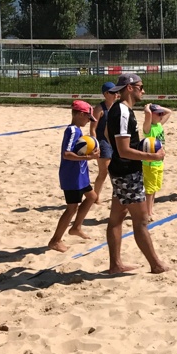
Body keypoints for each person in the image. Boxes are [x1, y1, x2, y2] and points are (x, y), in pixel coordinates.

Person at [105, 73, 168, 274]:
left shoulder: (119, 109)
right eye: (141, 87)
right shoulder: (123, 111)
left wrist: (134, 146)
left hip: (120, 169)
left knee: (116, 218)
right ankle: (156, 265)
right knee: (141, 221)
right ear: (130, 88)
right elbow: (123, 150)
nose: (144, 90)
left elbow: (108, 134)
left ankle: (115, 265)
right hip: (127, 172)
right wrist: (153, 157)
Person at [48, 100, 100, 252]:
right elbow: (67, 154)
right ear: (79, 114)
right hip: (71, 176)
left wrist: (89, 153)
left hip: (80, 174)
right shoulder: (72, 131)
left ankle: (76, 227)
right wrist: (88, 158)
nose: (88, 121)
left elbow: (76, 151)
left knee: (92, 197)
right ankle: (55, 240)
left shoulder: (77, 130)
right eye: (87, 118)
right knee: (71, 208)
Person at [142, 103, 172, 219]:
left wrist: (158, 108)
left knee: (154, 188)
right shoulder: (148, 128)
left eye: (161, 114)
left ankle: (151, 210)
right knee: (149, 189)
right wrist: (147, 108)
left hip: (159, 161)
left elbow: (169, 111)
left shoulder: (159, 125)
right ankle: (148, 212)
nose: (161, 115)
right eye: (159, 114)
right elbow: (148, 114)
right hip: (150, 162)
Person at [90, 81, 118, 201]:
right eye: (113, 92)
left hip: (114, 142)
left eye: (117, 92)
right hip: (102, 142)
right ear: (106, 94)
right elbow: (92, 129)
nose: (116, 94)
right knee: (104, 172)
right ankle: (95, 197)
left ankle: (117, 196)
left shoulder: (117, 107)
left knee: (115, 171)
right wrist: (96, 145)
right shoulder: (99, 108)